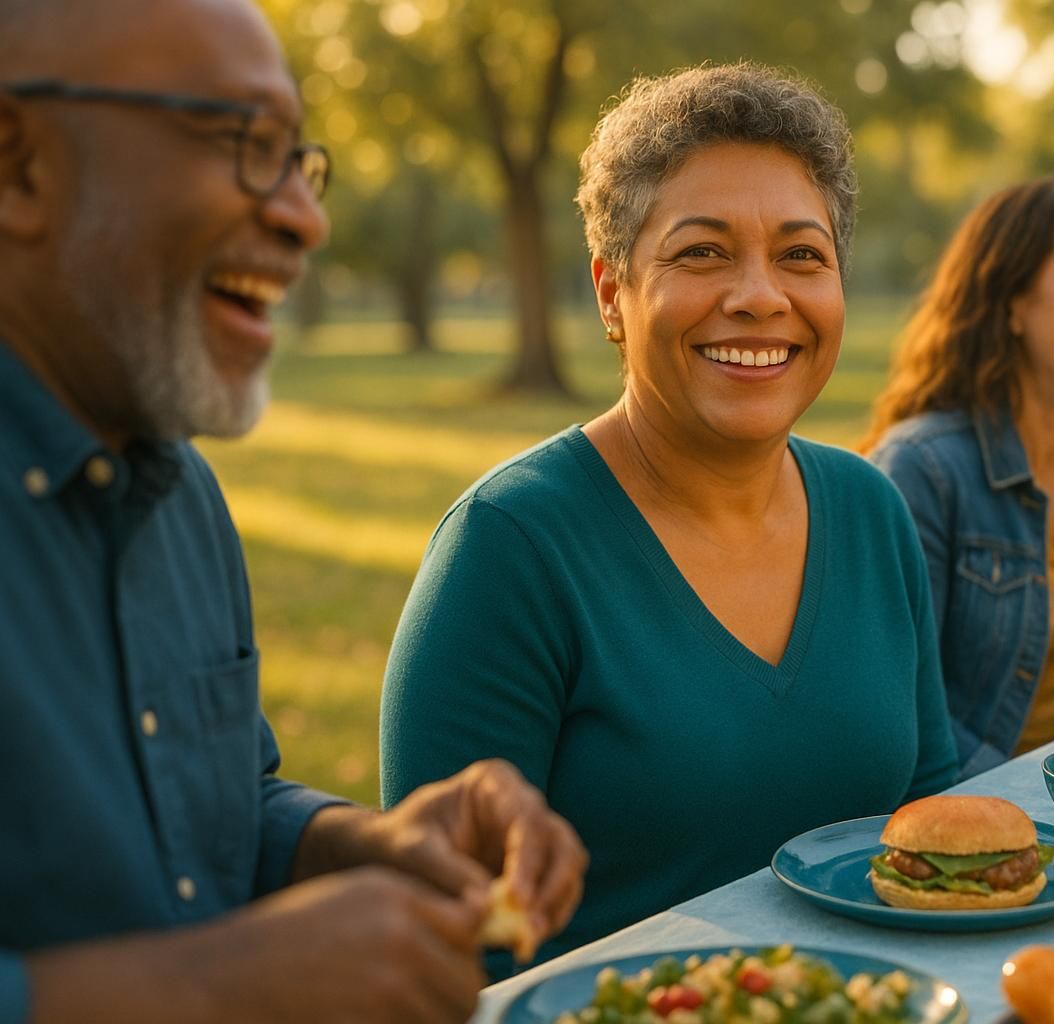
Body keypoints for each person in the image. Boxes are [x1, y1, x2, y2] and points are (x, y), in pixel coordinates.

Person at [0, 1, 586, 1021]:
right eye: (243, 145)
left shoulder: (178, 490)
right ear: (19, 164)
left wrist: (368, 842)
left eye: (297, 162)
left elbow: (219, 814)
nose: (305, 218)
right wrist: (208, 988)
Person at [381, 63, 959, 963]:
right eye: (702, 252)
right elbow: (447, 942)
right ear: (612, 293)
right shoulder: (509, 548)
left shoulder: (871, 510)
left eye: (802, 255)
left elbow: (932, 835)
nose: (761, 295)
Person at [862, 178, 1054, 779]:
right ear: (1013, 303)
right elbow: (897, 707)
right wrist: (1039, 795)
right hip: (970, 812)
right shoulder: (922, 470)